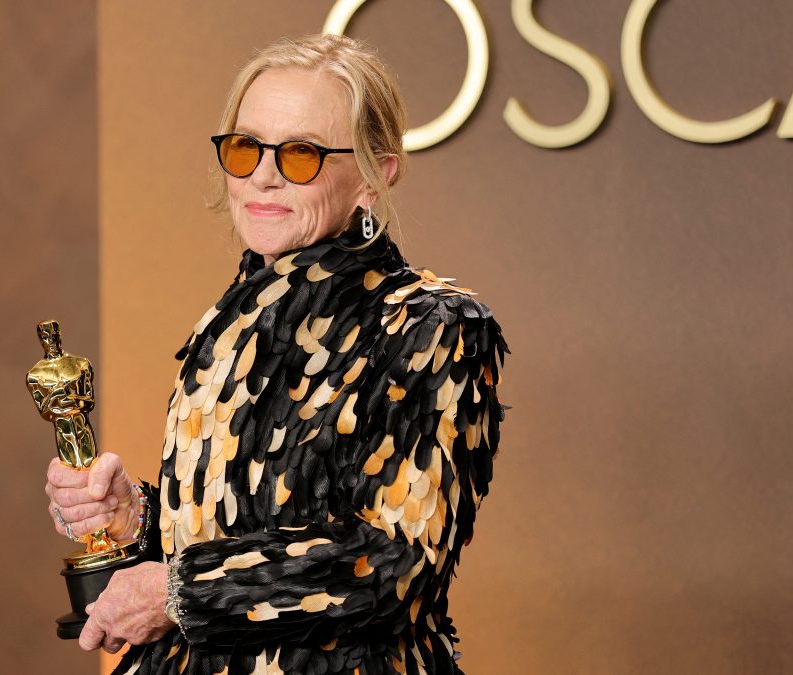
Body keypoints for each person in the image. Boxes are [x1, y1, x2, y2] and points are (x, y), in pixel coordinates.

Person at [44, 33, 511, 674]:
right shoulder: (230, 320)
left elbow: (395, 563)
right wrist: (139, 515)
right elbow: (245, 528)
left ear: (377, 176)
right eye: (246, 148)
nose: (263, 175)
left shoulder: (436, 327)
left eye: (302, 154)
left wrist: (180, 594)